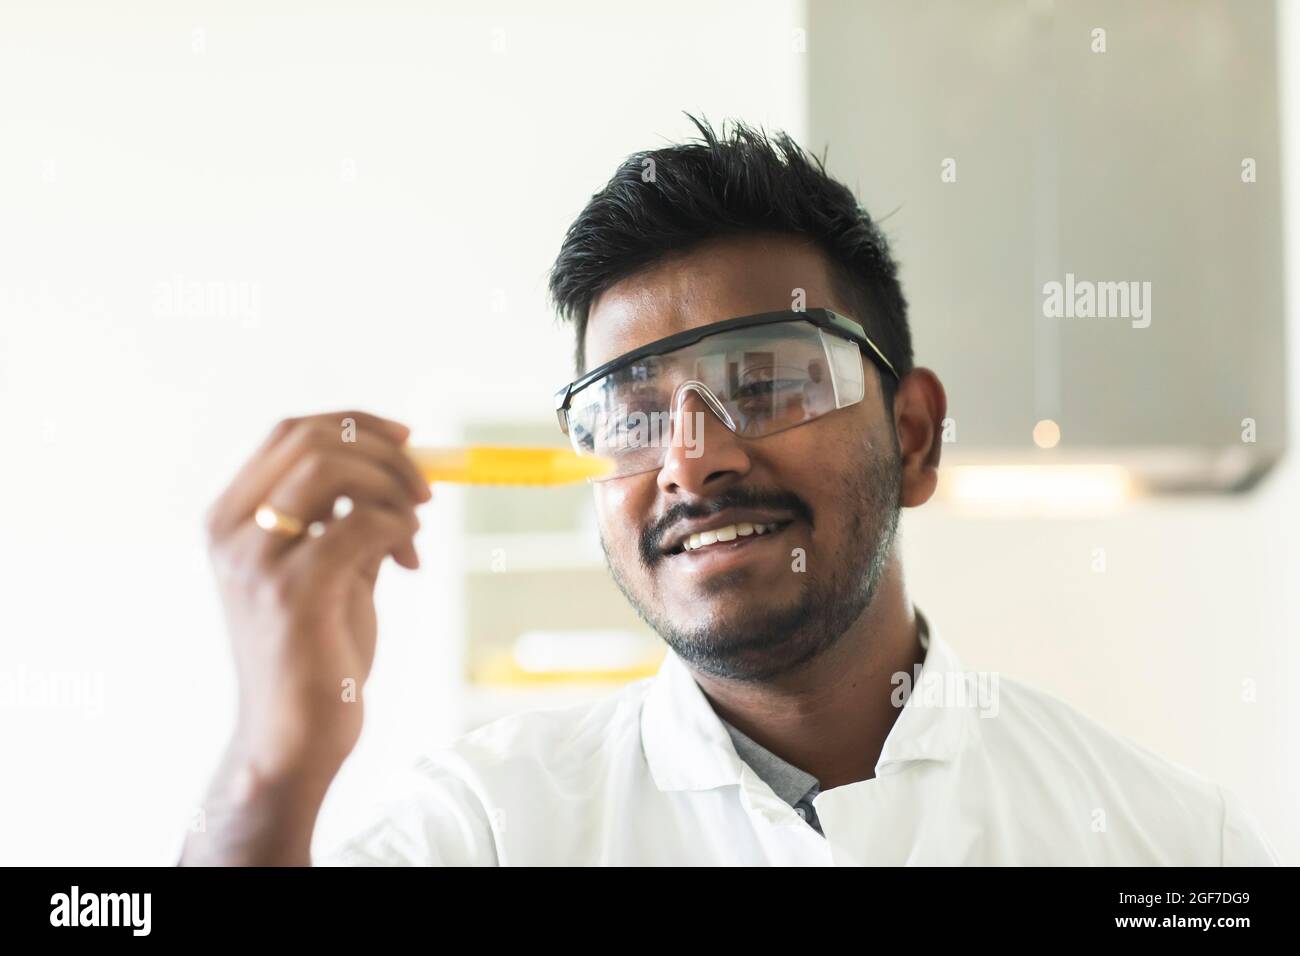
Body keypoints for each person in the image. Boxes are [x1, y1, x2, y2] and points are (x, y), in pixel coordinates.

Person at [180, 115, 1278, 866]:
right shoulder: (487, 827)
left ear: (914, 432)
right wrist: (271, 765)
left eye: (763, 381)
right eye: (634, 409)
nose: (689, 459)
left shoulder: (1165, 843)